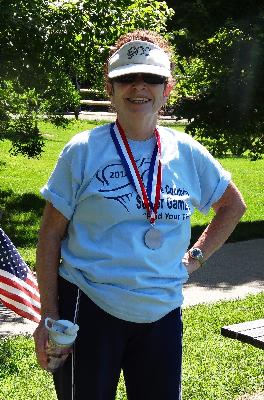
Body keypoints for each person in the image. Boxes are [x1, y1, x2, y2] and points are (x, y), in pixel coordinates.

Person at [33, 30, 246, 400]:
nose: (139, 86)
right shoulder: (82, 151)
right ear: (110, 88)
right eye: (126, 77)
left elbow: (232, 205)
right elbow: (50, 236)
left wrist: (194, 258)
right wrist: (48, 316)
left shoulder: (188, 153)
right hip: (89, 306)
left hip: (162, 312)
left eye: (152, 77)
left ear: (168, 88)